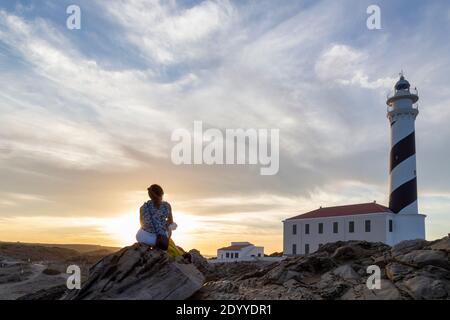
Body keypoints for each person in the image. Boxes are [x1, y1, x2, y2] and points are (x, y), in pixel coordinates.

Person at [136, 184, 190, 261]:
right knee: (169, 228)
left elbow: (141, 223)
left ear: (150, 195)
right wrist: (162, 225)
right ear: (162, 194)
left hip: (143, 238)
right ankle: (178, 253)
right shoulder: (166, 206)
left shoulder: (143, 207)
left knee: (147, 230)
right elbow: (170, 221)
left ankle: (171, 246)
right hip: (159, 241)